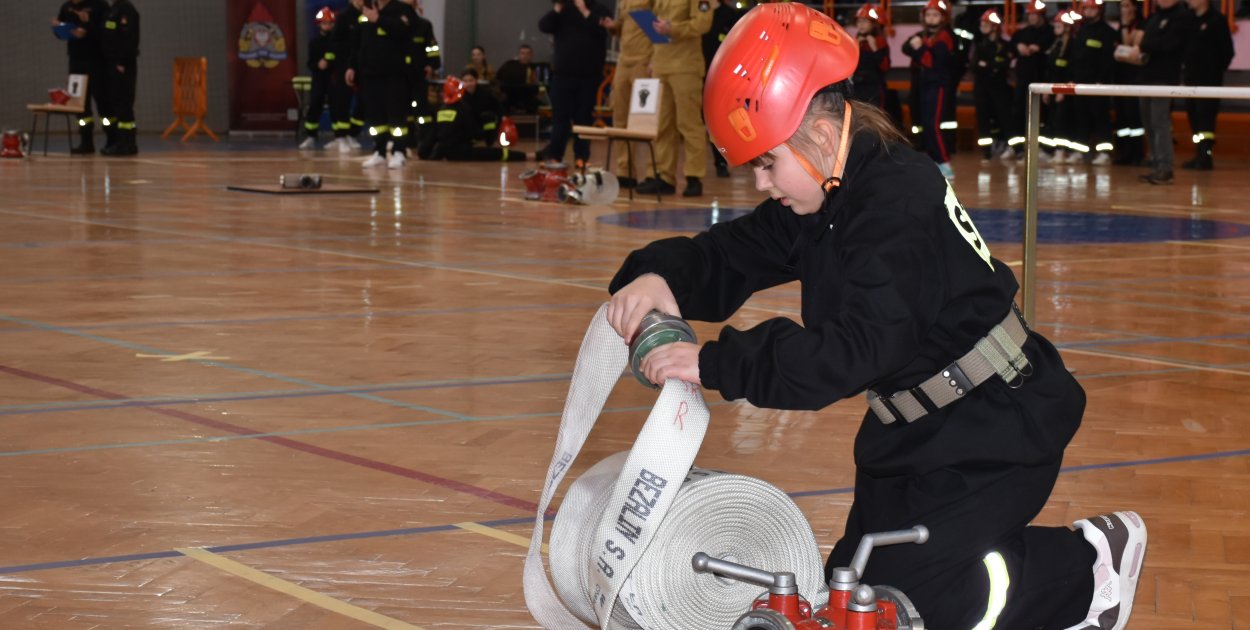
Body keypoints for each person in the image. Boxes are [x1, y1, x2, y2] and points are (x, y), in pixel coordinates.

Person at [606, 5, 1147, 630]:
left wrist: (716, 361)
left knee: (919, 608)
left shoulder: (894, 199)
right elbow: (735, 250)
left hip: (994, 429)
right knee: (851, 596)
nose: (759, 183)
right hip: (910, 436)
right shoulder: (827, 190)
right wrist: (657, 274)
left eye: (765, 163)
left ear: (814, 126)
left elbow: (854, 351)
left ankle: (1085, 567)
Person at [636, 0, 713, 197]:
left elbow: (703, 23)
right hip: (661, 65)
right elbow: (655, 29)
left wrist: (672, 28)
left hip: (685, 67)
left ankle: (694, 177)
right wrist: (652, 59)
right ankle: (664, 177)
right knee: (662, 125)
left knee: (688, 125)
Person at [1130, 0, 1197, 184]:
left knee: (1159, 122)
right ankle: (1156, 163)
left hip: (1164, 77)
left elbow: (1169, 43)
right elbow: (1144, 39)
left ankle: (1165, 168)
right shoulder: (1155, 17)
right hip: (1146, 76)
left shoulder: (1182, 16)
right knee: (1148, 122)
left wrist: (1144, 47)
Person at [538, 0, 611, 167]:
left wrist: (584, 10)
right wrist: (557, 9)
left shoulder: (600, 9)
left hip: (589, 75)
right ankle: (555, 155)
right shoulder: (564, 10)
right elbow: (544, 26)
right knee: (560, 118)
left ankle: (581, 157)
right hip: (563, 75)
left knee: (583, 117)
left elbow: (601, 30)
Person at [347, 0, 412, 170]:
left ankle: (399, 151)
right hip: (369, 73)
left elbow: (403, 31)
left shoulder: (402, 9)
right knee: (375, 116)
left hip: (393, 73)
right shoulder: (366, 9)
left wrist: (378, 19)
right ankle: (379, 151)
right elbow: (357, 42)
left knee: (396, 114)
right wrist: (352, 66)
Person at [416, 74, 532, 162]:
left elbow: (432, 136)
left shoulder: (440, 111)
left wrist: (424, 152)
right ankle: (526, 156)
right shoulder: (463, 109)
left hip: (444, 151)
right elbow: (473, 132)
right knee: (492, 153)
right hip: (461, 151)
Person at [602, 0, 655, 188]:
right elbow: (625, 25)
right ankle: (625, 170)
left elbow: (659, 24)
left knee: (646, 117)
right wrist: (613, 27)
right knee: (620, 115)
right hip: (624, 60)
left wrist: (655, 58)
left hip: (644, 60)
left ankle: (651, 172)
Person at [902, 0, 958, 179]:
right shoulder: (927, 35)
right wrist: (919, 48)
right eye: (928, 15)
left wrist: (919, 49)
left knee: (933, 125)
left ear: (943, 18)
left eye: (935, 15)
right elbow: (906, 48)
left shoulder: (944, 36)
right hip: (926, 84)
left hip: (938, 85)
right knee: (926, 124)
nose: (931, 18)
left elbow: (931, 62)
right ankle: (935, 160)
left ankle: (944, 162)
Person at [1180, 0, 1235, 170]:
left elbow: (1227, 51)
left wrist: (1214, 70)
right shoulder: (1187, 19)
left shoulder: (1217, 20)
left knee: (1206, 117)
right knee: (1193, 116)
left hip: (1209, 80)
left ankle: (1205, 155)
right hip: (1190, 78)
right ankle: (1199, 153)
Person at [53, 0, 110, 155]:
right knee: (79, 105)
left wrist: (86, 27)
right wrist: (58, 28)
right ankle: (86, 142)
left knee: (103, 102)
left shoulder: (100, 5)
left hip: (97, 61)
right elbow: (60, 32)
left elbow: (106, 32)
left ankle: (112, 140)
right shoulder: (66, 7)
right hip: (76, 61)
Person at [1066, 0, 1119, 165]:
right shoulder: (1081, 30)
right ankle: (1080, 152)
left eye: (1092, 8)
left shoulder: (1107, 32)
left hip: (1097, 83)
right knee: (1081, 118)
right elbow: (1074, 57)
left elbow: (1107, 60)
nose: (1088, 11)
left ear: (1100, 10)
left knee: (1100, 117)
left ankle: (1104, 153)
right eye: (1086, 8)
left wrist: (1101, 80)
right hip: (1079, 82)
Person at [703, 0, 747, 179]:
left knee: (719, 119)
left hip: (721, 74)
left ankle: (723, 160)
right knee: (703, 121)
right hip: (696, 71)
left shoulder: (730, 14)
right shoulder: (700, 11)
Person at [1007, 0, 1054, 159]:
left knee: (1042, 116)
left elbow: (1051, 46)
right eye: (1030, 14)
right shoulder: (1023, 33)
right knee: (1018, 113)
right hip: (1023, 81)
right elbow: (1012, 43)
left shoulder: (1050, 32)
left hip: (1042, 80)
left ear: (1042, 15)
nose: (1032, 17)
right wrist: (1018, 47)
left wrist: (1038, 48)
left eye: (1035, 14)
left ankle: (1042, 149)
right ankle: (1017, 148)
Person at [971, 9, 1013, 162]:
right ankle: (986, 152)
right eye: (982, 23)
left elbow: (1003, 64)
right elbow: (974, 66)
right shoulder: (978, 44)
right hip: (982, 88)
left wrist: (988, 64)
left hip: (999, 87)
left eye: (986, 23)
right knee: (983, 119)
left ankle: (1012, 147)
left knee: (1005, 117)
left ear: (995, 26)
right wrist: (992, 65)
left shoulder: (1004, 45)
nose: (982, 26)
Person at [399, 0, 441, 150]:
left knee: (422, 109)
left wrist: (433, 64)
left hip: (419, 74)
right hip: (401, 75)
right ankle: (407, 140)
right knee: (404, 109)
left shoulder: (424, 25)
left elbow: (432, 48)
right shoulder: (396, 25)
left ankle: (426, 139)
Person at [100, 0, 139, 156]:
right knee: (115, 102)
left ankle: (128, 143)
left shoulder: (127, 10)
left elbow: (129, 39)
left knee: (124, 103)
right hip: (111, 63)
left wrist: (121, 61)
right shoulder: (112, 11)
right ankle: (117, 141)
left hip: (122, 65)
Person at [1042, 10, 1080, 164]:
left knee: (1062, 120)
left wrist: (1063, 90)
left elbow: (1073, 68)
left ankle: (1062, 150)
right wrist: (1046, 90)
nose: (1055, 27)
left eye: (1059, 25)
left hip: (1065, 90)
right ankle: (1052, 150)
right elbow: (1050, 68)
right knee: (1052, 120)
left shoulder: (1073, 45)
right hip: (1053, 88)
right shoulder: (1056, 44)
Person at [299, 7, 339, 151]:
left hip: (333, 79)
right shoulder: (314, 42)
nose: (327, 26)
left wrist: (330, 62)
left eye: (329, 23)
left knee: (336, 107)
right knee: (315, 105)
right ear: (319, 24)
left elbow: (340, 58)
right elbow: (310, 62)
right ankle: (310, 136)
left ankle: (339, 137)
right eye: (324, 23)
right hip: (318, 79)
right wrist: (317, 64)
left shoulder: (336, 41)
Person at [1112, 0, 1145, 165]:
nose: (1123, 9)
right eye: (1121, 6)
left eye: (1126, 5)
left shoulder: (1141, 23)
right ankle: (1123, 152)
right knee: (1122, 117)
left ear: (1134, 7)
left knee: (1134, 117)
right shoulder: (1120, 26)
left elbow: (1129, 47)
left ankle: (1136, 153)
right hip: (1120, 77)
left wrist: (1125, 26)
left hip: (1135, 78)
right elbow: (1119, 52)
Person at [329, 0, 365, 154]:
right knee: (343, 100)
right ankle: (340, 136)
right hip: (345, 65)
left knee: (364, 100)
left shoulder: (368, 15)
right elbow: (335, 42)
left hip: (364, 65)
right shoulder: (344, 17)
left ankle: (353, 133)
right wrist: (346, 60)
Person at [852, 4, 891, 111]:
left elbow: (885, 67)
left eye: (865, 21)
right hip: (857, 86)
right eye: (859, 21)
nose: (861, 25)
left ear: (873, 24)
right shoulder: (855, 41)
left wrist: (875, 48)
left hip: (875, 88)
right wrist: (855, 48)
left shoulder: (880, 42)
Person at [496, 44, 543, 114]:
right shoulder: (509, 65)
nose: (525, 56)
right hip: (510, 96)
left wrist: (540, 93)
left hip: (529, 98)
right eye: (522, 53)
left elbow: (542, 85)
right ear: (518, 55)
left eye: (528, 53)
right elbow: (497, 78)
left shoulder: (536, 68)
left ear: (531, 56)